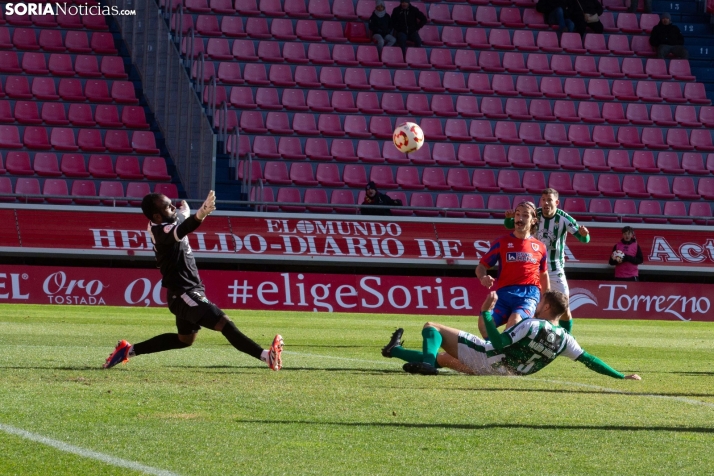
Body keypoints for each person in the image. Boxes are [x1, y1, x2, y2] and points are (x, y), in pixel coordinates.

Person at [103, 191, 284, 370]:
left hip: (187, 290)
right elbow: (182, 228)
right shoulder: (160, 231)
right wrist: (200, 214)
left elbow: (179, 221)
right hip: (183, 293)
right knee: (223, 323)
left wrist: (185, 213)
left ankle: (127, 350)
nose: (173, 207)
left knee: (185, 340)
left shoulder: (165, 221)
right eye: (168, 206)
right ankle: (266, 356)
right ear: (157, 216)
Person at [381, 290, 641, 381]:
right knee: (446, 359)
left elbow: (497, 342)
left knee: (432, 327)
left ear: (548, 307)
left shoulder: (531, 325)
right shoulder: (565, 339)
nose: (537, 305)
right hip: (505, 372)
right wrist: (620, 375)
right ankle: (395, 350)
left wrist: (485, 314)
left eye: (541, 302)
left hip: (486, 358)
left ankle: (426, 365)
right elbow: (590, 360)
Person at [503, 189, 590, 335]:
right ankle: (525, 338)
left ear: (556, 202)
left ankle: (564, 340)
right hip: (534, 268)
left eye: (549, 200)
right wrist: (508, 219)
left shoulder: (563, 218)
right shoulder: (534, 214)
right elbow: (512, 225)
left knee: (564, 309)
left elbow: (583, 239)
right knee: (531, 307)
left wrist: (584, 236)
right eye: (543, 199)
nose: (545, 203)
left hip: (555, 270)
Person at [475, 200, 550, 339]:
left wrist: (546, 300)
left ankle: (501, 353)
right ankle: (497, 352)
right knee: (484, 324)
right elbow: (481, 266)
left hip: (528, 295)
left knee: (514, 323)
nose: (520, 219)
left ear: (533, 220)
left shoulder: (540, 246)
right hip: (503, 294)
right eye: (517, 214)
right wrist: (483, 277)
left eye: (525, 215)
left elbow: (543, 274)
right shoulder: (501, 242)